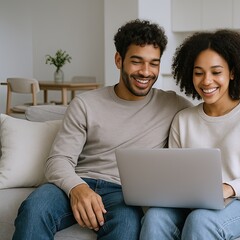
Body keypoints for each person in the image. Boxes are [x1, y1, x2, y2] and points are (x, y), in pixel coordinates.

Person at [12, 19, 192, 240]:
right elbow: (58, 159)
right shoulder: (85, 103)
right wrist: (77, 188)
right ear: (119, 60)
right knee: (34, 208)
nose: (146, 71)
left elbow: (210, 116)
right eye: (136, 61)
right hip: (78, 181)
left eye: (153, 63)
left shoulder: (173, 105)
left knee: (127, 225)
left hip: (123, 194)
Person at [140, 29, 240, 240]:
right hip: (198, 203)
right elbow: (177, 175)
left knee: (201, 220)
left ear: (232, 72)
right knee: (155, 217)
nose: (206, 81)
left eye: (216, 72)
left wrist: (228, 188)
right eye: (199, 73)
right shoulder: (183, 120)